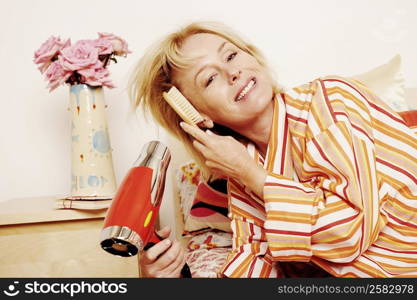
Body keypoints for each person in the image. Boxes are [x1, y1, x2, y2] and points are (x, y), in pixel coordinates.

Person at [130, 21, 417, 278]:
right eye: (209, 78)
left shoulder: (330, 99)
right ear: (196, 115)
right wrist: (168, 281)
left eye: (231, 55)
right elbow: (253, 262)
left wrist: (251, 174)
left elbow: (351, 231)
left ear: (252, 55)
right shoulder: (244, 165)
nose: (232, 72)